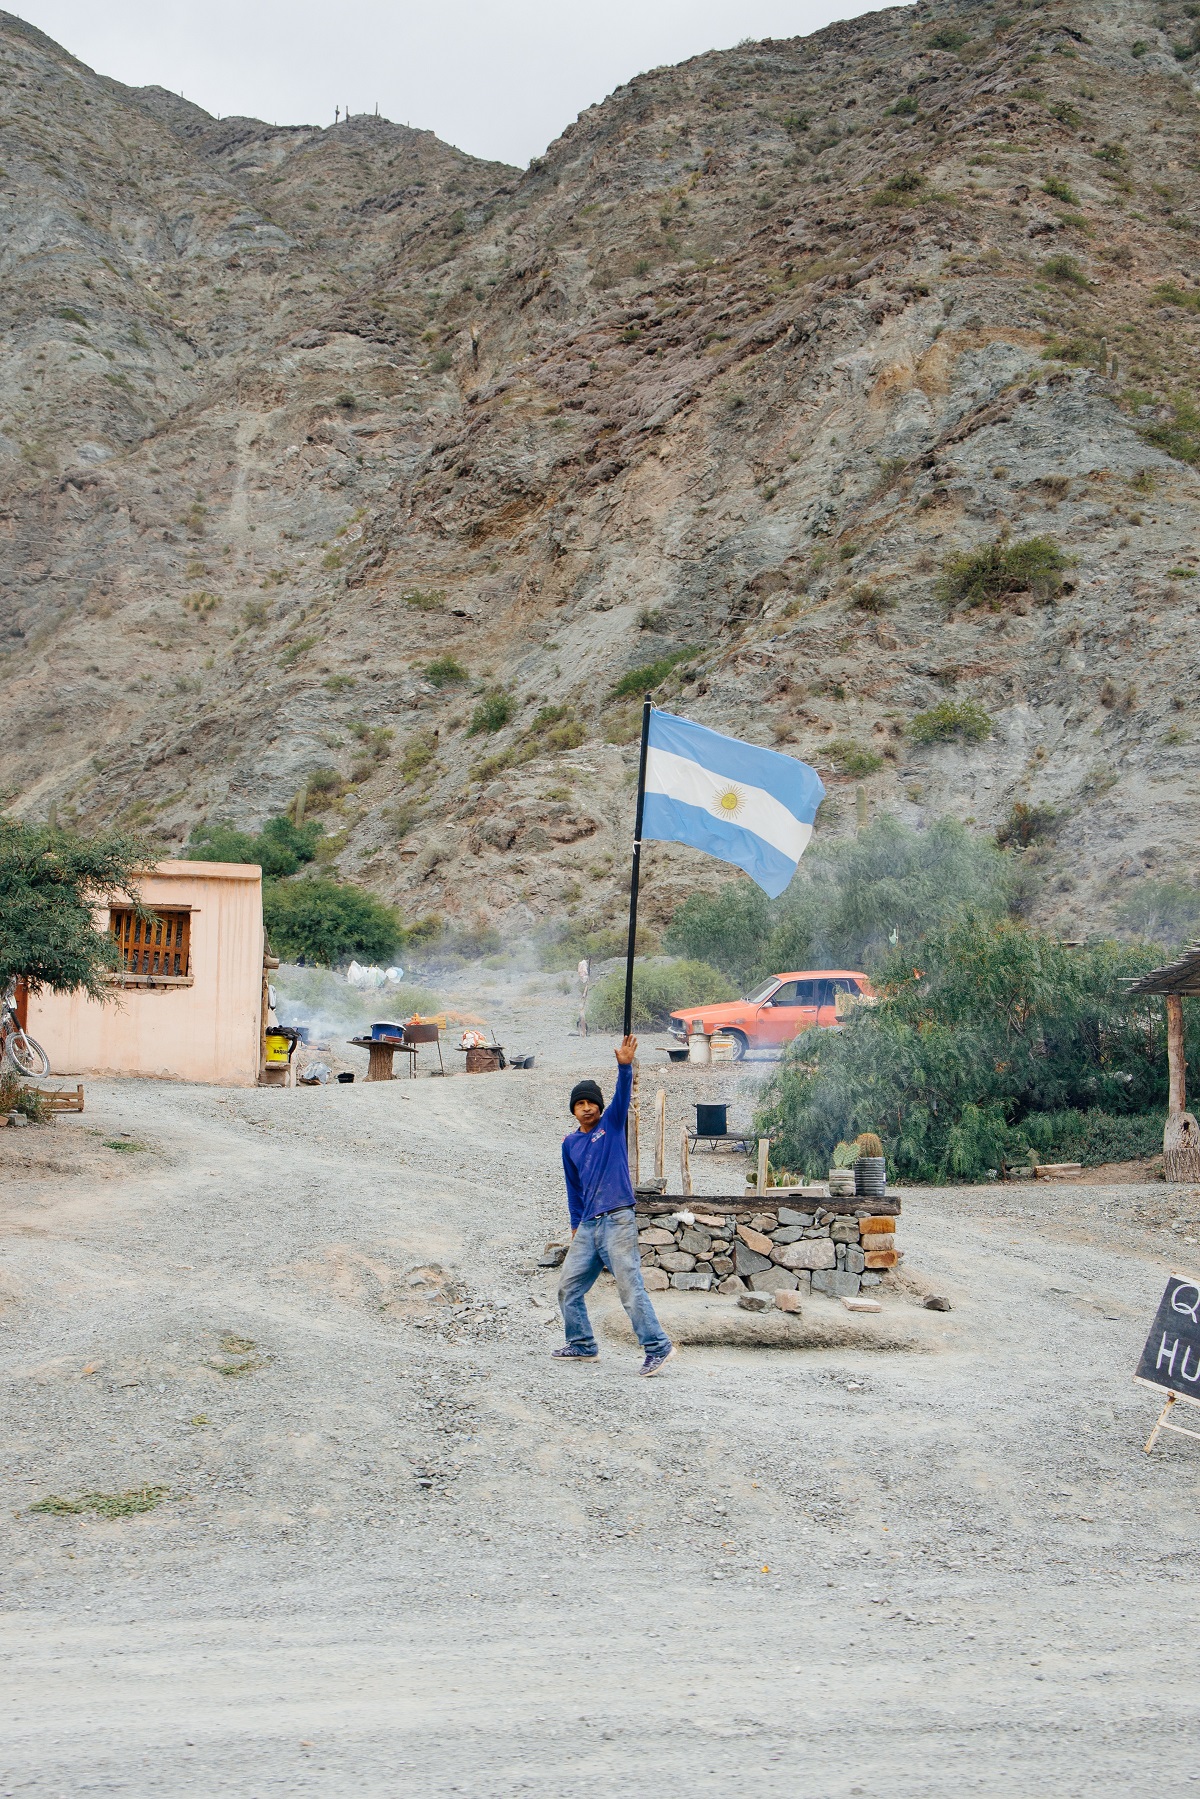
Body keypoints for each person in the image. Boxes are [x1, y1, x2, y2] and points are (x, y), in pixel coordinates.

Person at [555, 1034, 675, 1376]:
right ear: (573, 1109)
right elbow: (574, 1188)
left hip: (618, 1218)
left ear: (600, 1106)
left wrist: (625, 1067)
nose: (587, 1108)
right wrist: (575, 1224)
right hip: (588, 1225)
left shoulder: (611, 1124)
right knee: (568, 1288)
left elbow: (623, 1094)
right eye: (580, 1104)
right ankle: (582, 1344)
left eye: (591, 1102)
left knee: (628, 1287)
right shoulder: (569, 1143)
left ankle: (658, 1346)